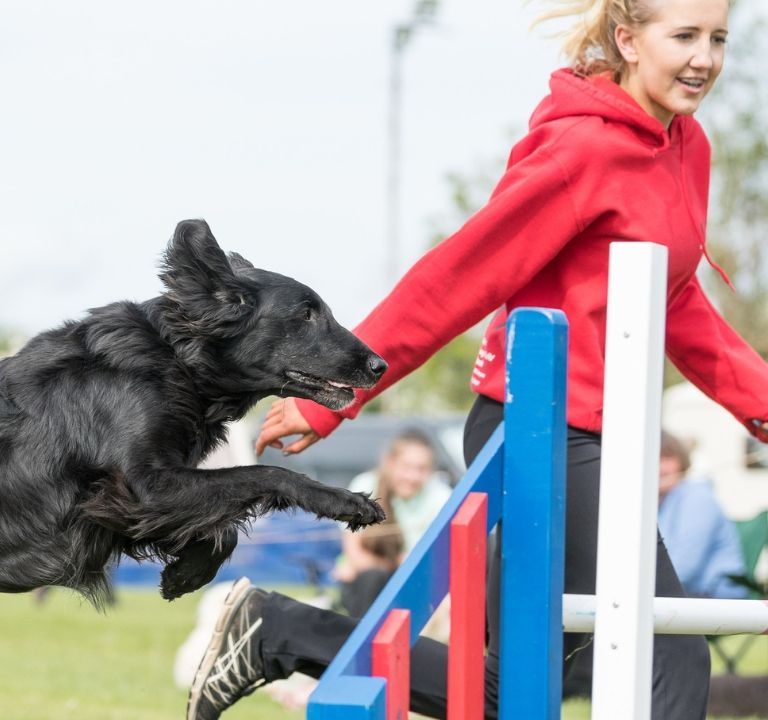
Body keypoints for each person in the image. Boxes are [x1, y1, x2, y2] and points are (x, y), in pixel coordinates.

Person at [184, 0, 768, 718]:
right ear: (628, 38)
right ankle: (281, 630)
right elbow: (457, 279)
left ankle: (277, 630)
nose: (705, 58)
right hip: (539, 430)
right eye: (684, 36)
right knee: (670, 650)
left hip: (605, 437)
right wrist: (335, 389)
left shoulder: (688, 148)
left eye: (717, 38)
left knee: (511, 688)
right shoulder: (582, 152)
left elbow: (675, 304)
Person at [334, 429, 452, 617]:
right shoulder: (365, 486)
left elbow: (438, 560)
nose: (412, 477)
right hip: (371, 584)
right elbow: (356, 555)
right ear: (390, 463)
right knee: (372, 577)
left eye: (421, 469)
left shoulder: (441, 495)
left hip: (419, 583)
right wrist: (394, 563)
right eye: (406, 467)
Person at [656, 429, 749, 600]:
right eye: (653, 459)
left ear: (682, 462)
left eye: (666, 458)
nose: (659, 467)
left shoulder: (697, 498)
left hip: (715, 600)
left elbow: (683, 570)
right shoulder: (661, 501)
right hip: (686, 595)